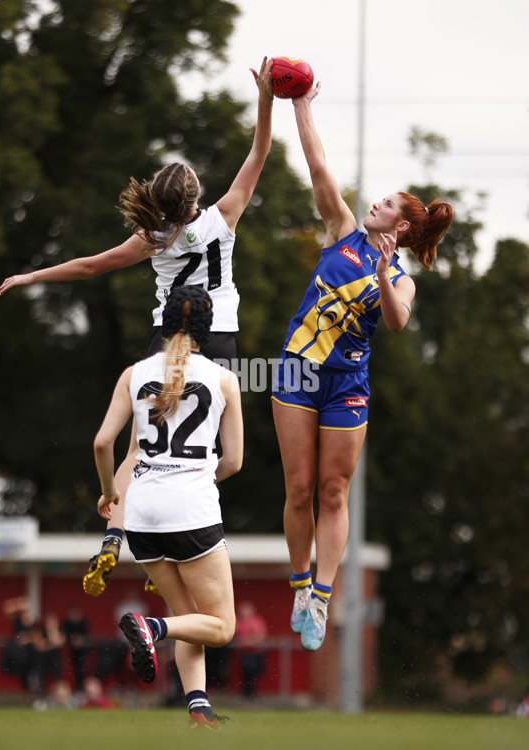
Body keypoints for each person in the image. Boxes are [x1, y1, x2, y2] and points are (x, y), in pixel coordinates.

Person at [0, 57, 274, 597]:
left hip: (164, 337)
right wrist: (265, 98)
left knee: (136, 450)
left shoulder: (152, 238)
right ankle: (180, 525)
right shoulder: (224, 217)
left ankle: (114, 533)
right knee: (214, 446)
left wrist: (32, 275)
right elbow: (259, 151)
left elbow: (90, 265)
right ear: (195, 198)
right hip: (216, 338)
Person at [271, 82, 454, 653]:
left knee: (332, 492)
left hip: (346, 385)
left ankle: (322, 598)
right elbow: (319, 166)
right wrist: (301, 106)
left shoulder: (401, 280)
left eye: (386, 205)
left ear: (399, 228)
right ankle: (300, 586)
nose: (374, 204)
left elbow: (397, 322)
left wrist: (379, 273)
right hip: (298, 372)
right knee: (298, 488)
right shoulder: (341, 231)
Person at [93, 285, 243, 729]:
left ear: (163, 323)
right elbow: (233, 462)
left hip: (141, 515)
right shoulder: (224, 379)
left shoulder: (132, 373)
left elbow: (103, 443)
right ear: (206, 329)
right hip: (191, 513)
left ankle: (199, 708)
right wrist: (196, 478)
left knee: (187, 618)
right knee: (221, 627)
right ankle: (150, 628)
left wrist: (108, 493)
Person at [234, 600, 268, 697]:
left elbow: (260, 636)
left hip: (256, 653)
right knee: (245, 675)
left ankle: (253, 696)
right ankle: (246, 696)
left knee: (254, 675)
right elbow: (234, 636)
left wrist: (246, 641)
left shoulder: (257, 621)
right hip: (244, 654)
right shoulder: (239, 621)